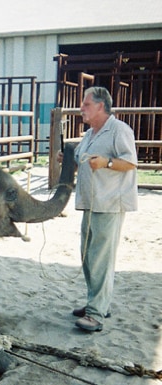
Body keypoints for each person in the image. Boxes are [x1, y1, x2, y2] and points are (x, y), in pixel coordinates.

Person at [57, 87, 138, 332]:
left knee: (101, 257)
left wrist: (107, 162)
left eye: (86, 104)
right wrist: (66, 157)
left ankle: (95, 314)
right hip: (91, 204)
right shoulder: (90, 134)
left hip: (110, 204)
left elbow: (131, 162)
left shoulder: (120, 130)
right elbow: (82, 157)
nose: (82, 108)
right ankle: (98, 302)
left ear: (101, 106)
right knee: (88, 256)